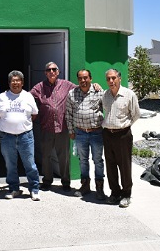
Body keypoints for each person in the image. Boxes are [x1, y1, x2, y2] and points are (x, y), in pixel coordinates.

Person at [0, 70, 41, 201]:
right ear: (9, 83)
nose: (15, 83)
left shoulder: (28, 96)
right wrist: (9, 124)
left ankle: (34, 189)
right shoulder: (2, 97)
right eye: (13, 81)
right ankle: (14, 188)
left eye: (18, 80)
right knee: (10, 165)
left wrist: (21, 124)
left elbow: (34, 114)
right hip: (7, 137)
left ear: (22, 82)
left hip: (25, 136)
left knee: (30, 164)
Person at [29, 62, 75, 192]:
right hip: (46, 128)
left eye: (54, 69)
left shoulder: (66, 85)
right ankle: (47, 180)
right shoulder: (39, 87)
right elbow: (27, 97)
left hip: (62, 128)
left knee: (64, 157)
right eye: (49, 70)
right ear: (45, 73)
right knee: (46, 157)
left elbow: (81, 89)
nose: (51, 72)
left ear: (58, 72)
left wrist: (94, 86)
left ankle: (65, 181)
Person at [65, 69, 106, 200]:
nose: (83, 80)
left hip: (96, 132)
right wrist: (71, 131)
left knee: (98, 160)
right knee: (83, 160)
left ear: (90, 78)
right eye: (80, 78)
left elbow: (108, 108)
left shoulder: (99, 92)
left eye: (85, 78)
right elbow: (68, 114)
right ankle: (85, 185)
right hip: (80, 133)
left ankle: (99, 187)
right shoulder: (72, 94)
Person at [102, 69, 140, 208]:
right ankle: (115, 193)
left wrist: (124, 126)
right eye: (108, 79)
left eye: (113, 78)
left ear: (119, 78)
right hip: (107, 134)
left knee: (124, 165)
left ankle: (126, 194)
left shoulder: (129, 94)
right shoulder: (105, 95)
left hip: (123, 135)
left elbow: (136, 114)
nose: (111, 81)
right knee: (110, 165)